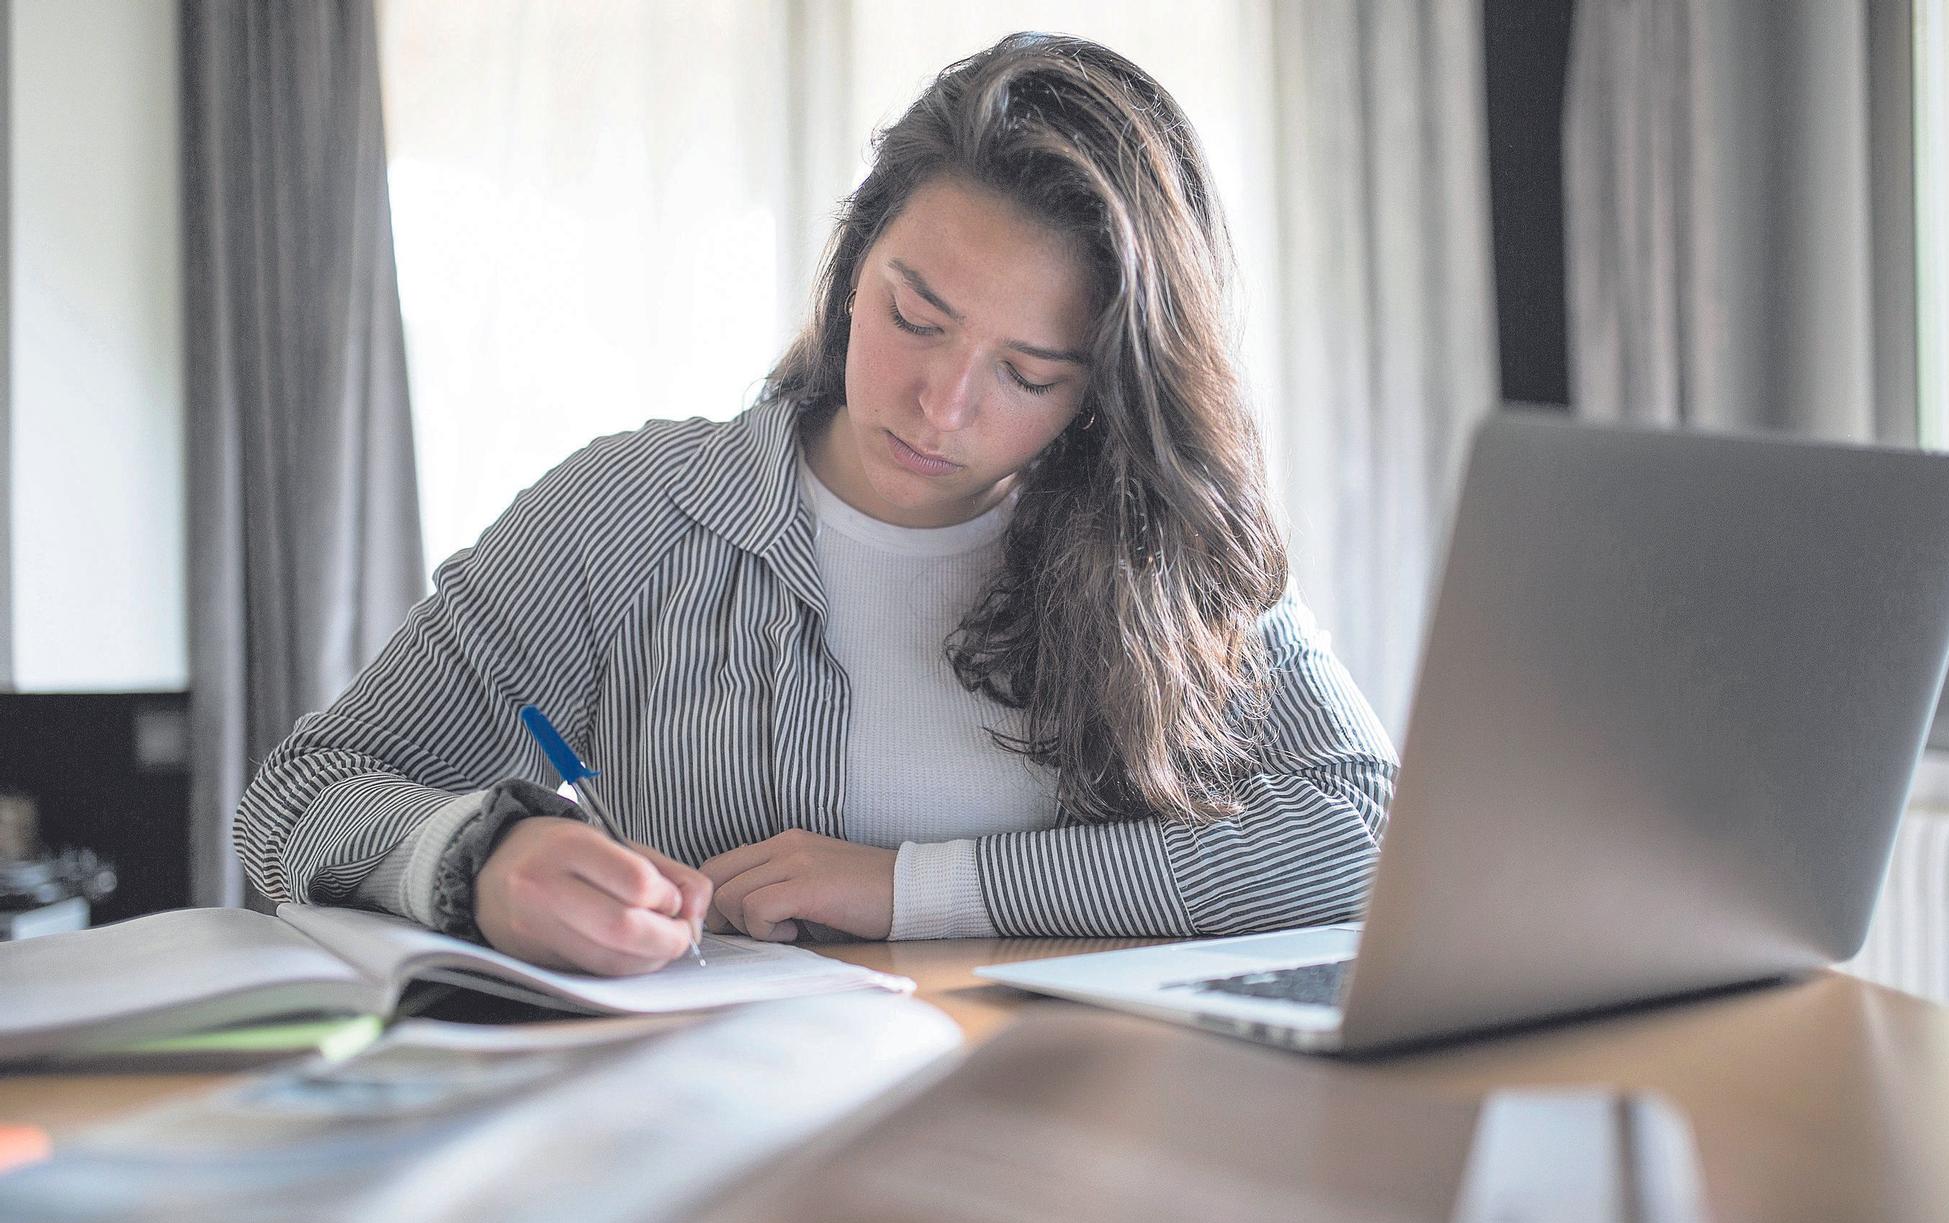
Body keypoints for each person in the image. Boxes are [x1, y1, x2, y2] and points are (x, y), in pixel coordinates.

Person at [235, 32, 1398, 976]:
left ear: (1100, 395)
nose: (940, 406)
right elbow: (296, 798)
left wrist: (910, 888)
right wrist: (481, 862)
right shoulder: (631, 516)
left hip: (1069, 1134)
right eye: (915, 316)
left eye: (1027, 373)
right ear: (851, 271)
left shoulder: (1161, 547)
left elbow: (1364, 827)